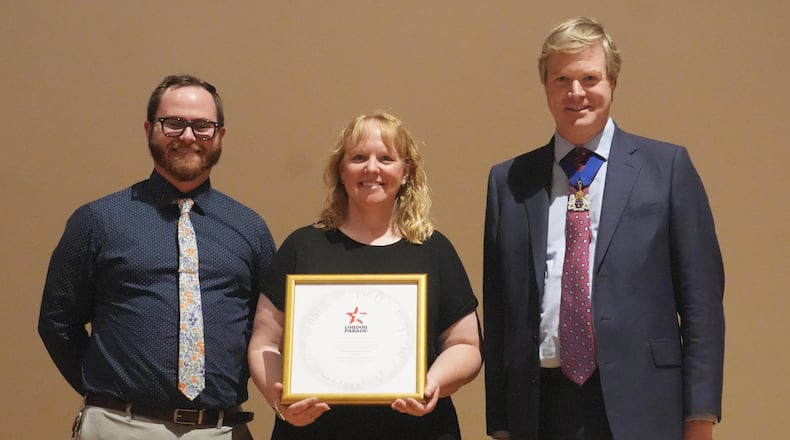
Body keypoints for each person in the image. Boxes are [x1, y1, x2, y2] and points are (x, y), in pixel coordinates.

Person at [483, 17, 725, 440]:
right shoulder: (509, 182)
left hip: (645, 406)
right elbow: (500, 308)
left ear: (612, 82)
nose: (576, 93)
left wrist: (700, 416)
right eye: (562, 79)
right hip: (541, 407)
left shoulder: (666, 169)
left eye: (589, 78)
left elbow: (702, 304)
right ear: (546, 87)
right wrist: (501, 423)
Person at [38, 74, 276, 440]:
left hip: (219, 429)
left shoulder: (250, 228)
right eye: (174, 123)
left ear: (220, 136)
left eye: (202, 126)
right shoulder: (98, 220)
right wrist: (105, 394)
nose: (187, 135)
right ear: (150, 129)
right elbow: (57, 322)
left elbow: (270, 329)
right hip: (120, 425)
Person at [248, 111, 482, 439]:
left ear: (405, 172)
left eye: (386, 158)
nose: (372, 168)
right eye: (359, 157)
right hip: (313, 432)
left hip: (419, 431)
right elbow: (264, 342)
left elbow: (466, 345)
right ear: (341, 170)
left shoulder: (434, 250)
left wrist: (433, 383)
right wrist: (279, 399)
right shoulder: (303, 246)